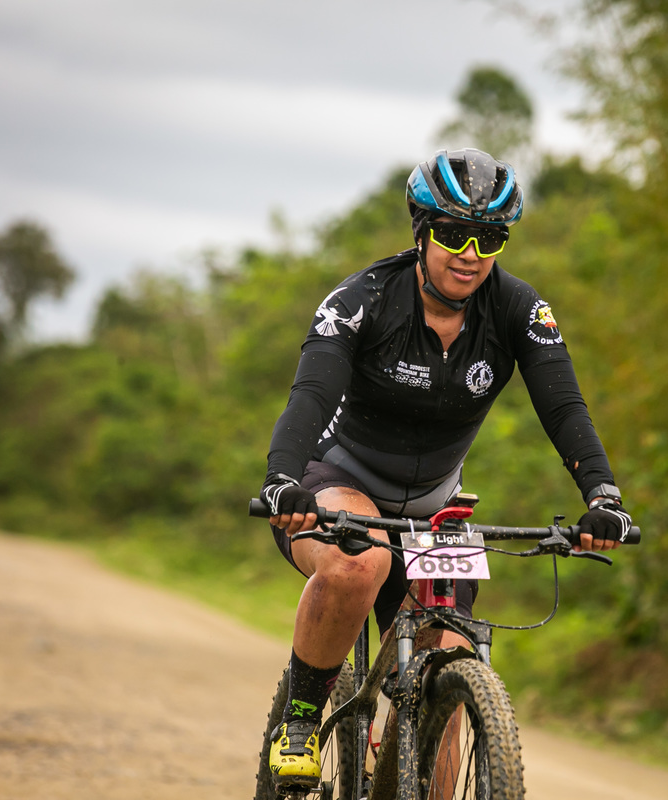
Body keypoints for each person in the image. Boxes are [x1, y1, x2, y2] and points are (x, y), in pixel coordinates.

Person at [259, 148, 632, 789]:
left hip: (435, 506)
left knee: (452, 657)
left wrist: (603, 496)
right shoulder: (363, 299)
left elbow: (564, 406)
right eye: (454, 234)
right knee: (358, 561)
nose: (470, 254)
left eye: (490, 238)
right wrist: (281, 479)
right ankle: (300, 718)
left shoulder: (517, 309)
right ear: (421, 230)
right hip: (335, 480)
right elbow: (311, 395)